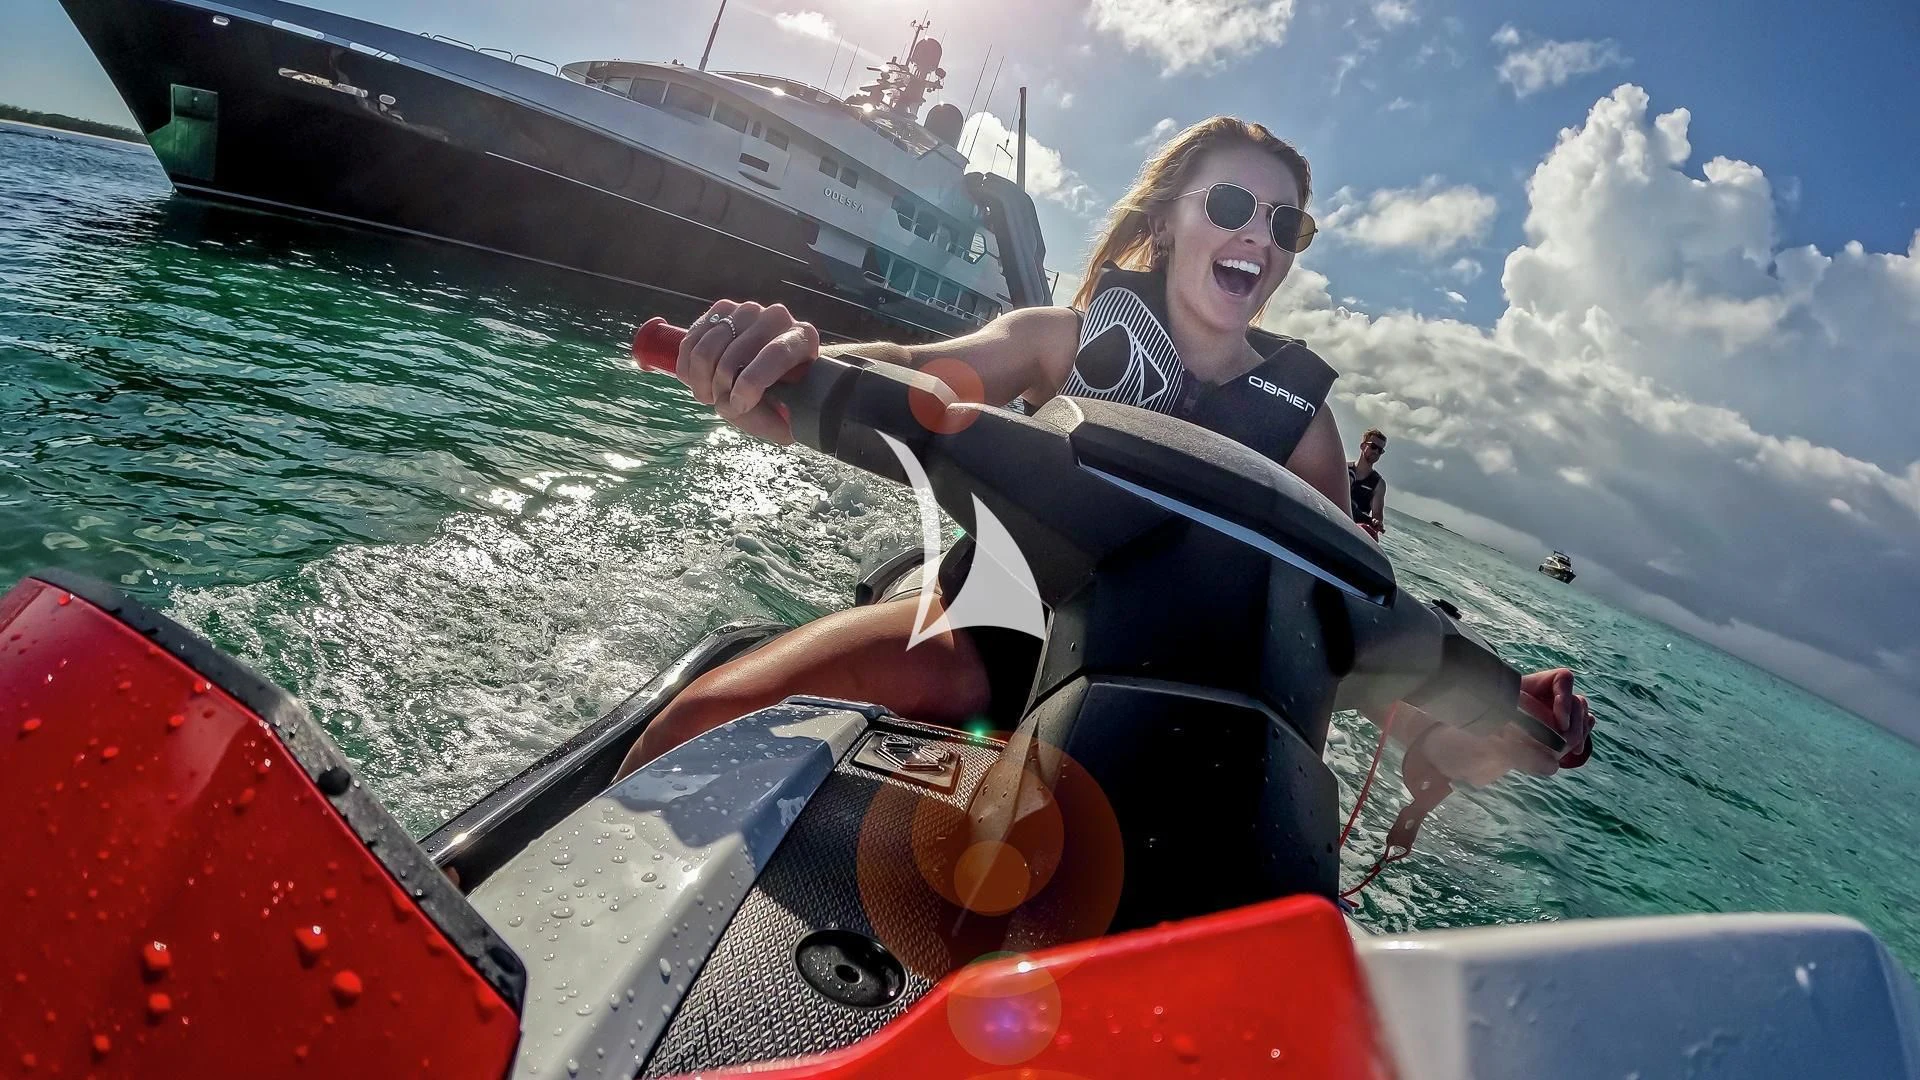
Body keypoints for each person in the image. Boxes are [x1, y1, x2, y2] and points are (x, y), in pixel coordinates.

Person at [618, 116, 1592, 790]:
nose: (1258, 234)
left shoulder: (1305, 431)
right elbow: (921, 369)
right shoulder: (1059, 338)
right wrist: (789, 363)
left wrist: (1484, 728)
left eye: (1282, 223)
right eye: (1230, 209)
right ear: (1169, 219)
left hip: (1189, 718)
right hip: (986, 639)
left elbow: (1328, 632)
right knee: (695, 724)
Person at [1349, 428, 1388, 539]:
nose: (1376, 451)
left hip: (1353, 529)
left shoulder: (1378, 484)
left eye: (1380, 450)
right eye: (1373, 446)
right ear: (1362, 446)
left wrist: (1377, 522)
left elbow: (1377, 515)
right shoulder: (1343, 468)